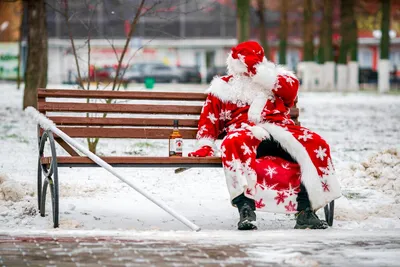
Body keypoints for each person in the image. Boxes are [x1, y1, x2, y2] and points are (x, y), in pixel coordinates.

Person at [188, 41, 341, 230]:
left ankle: (306, 211)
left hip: (281, 129)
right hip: (245, 131)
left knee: (316, 144)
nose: (246, 70)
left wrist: (259, 73)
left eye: (251, 64)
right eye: (243, 64)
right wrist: (205, 144)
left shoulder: (275, 79)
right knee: (232, 143)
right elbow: (209, 120)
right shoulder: (223, 87)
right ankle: (246, 209)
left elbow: (291, 90)